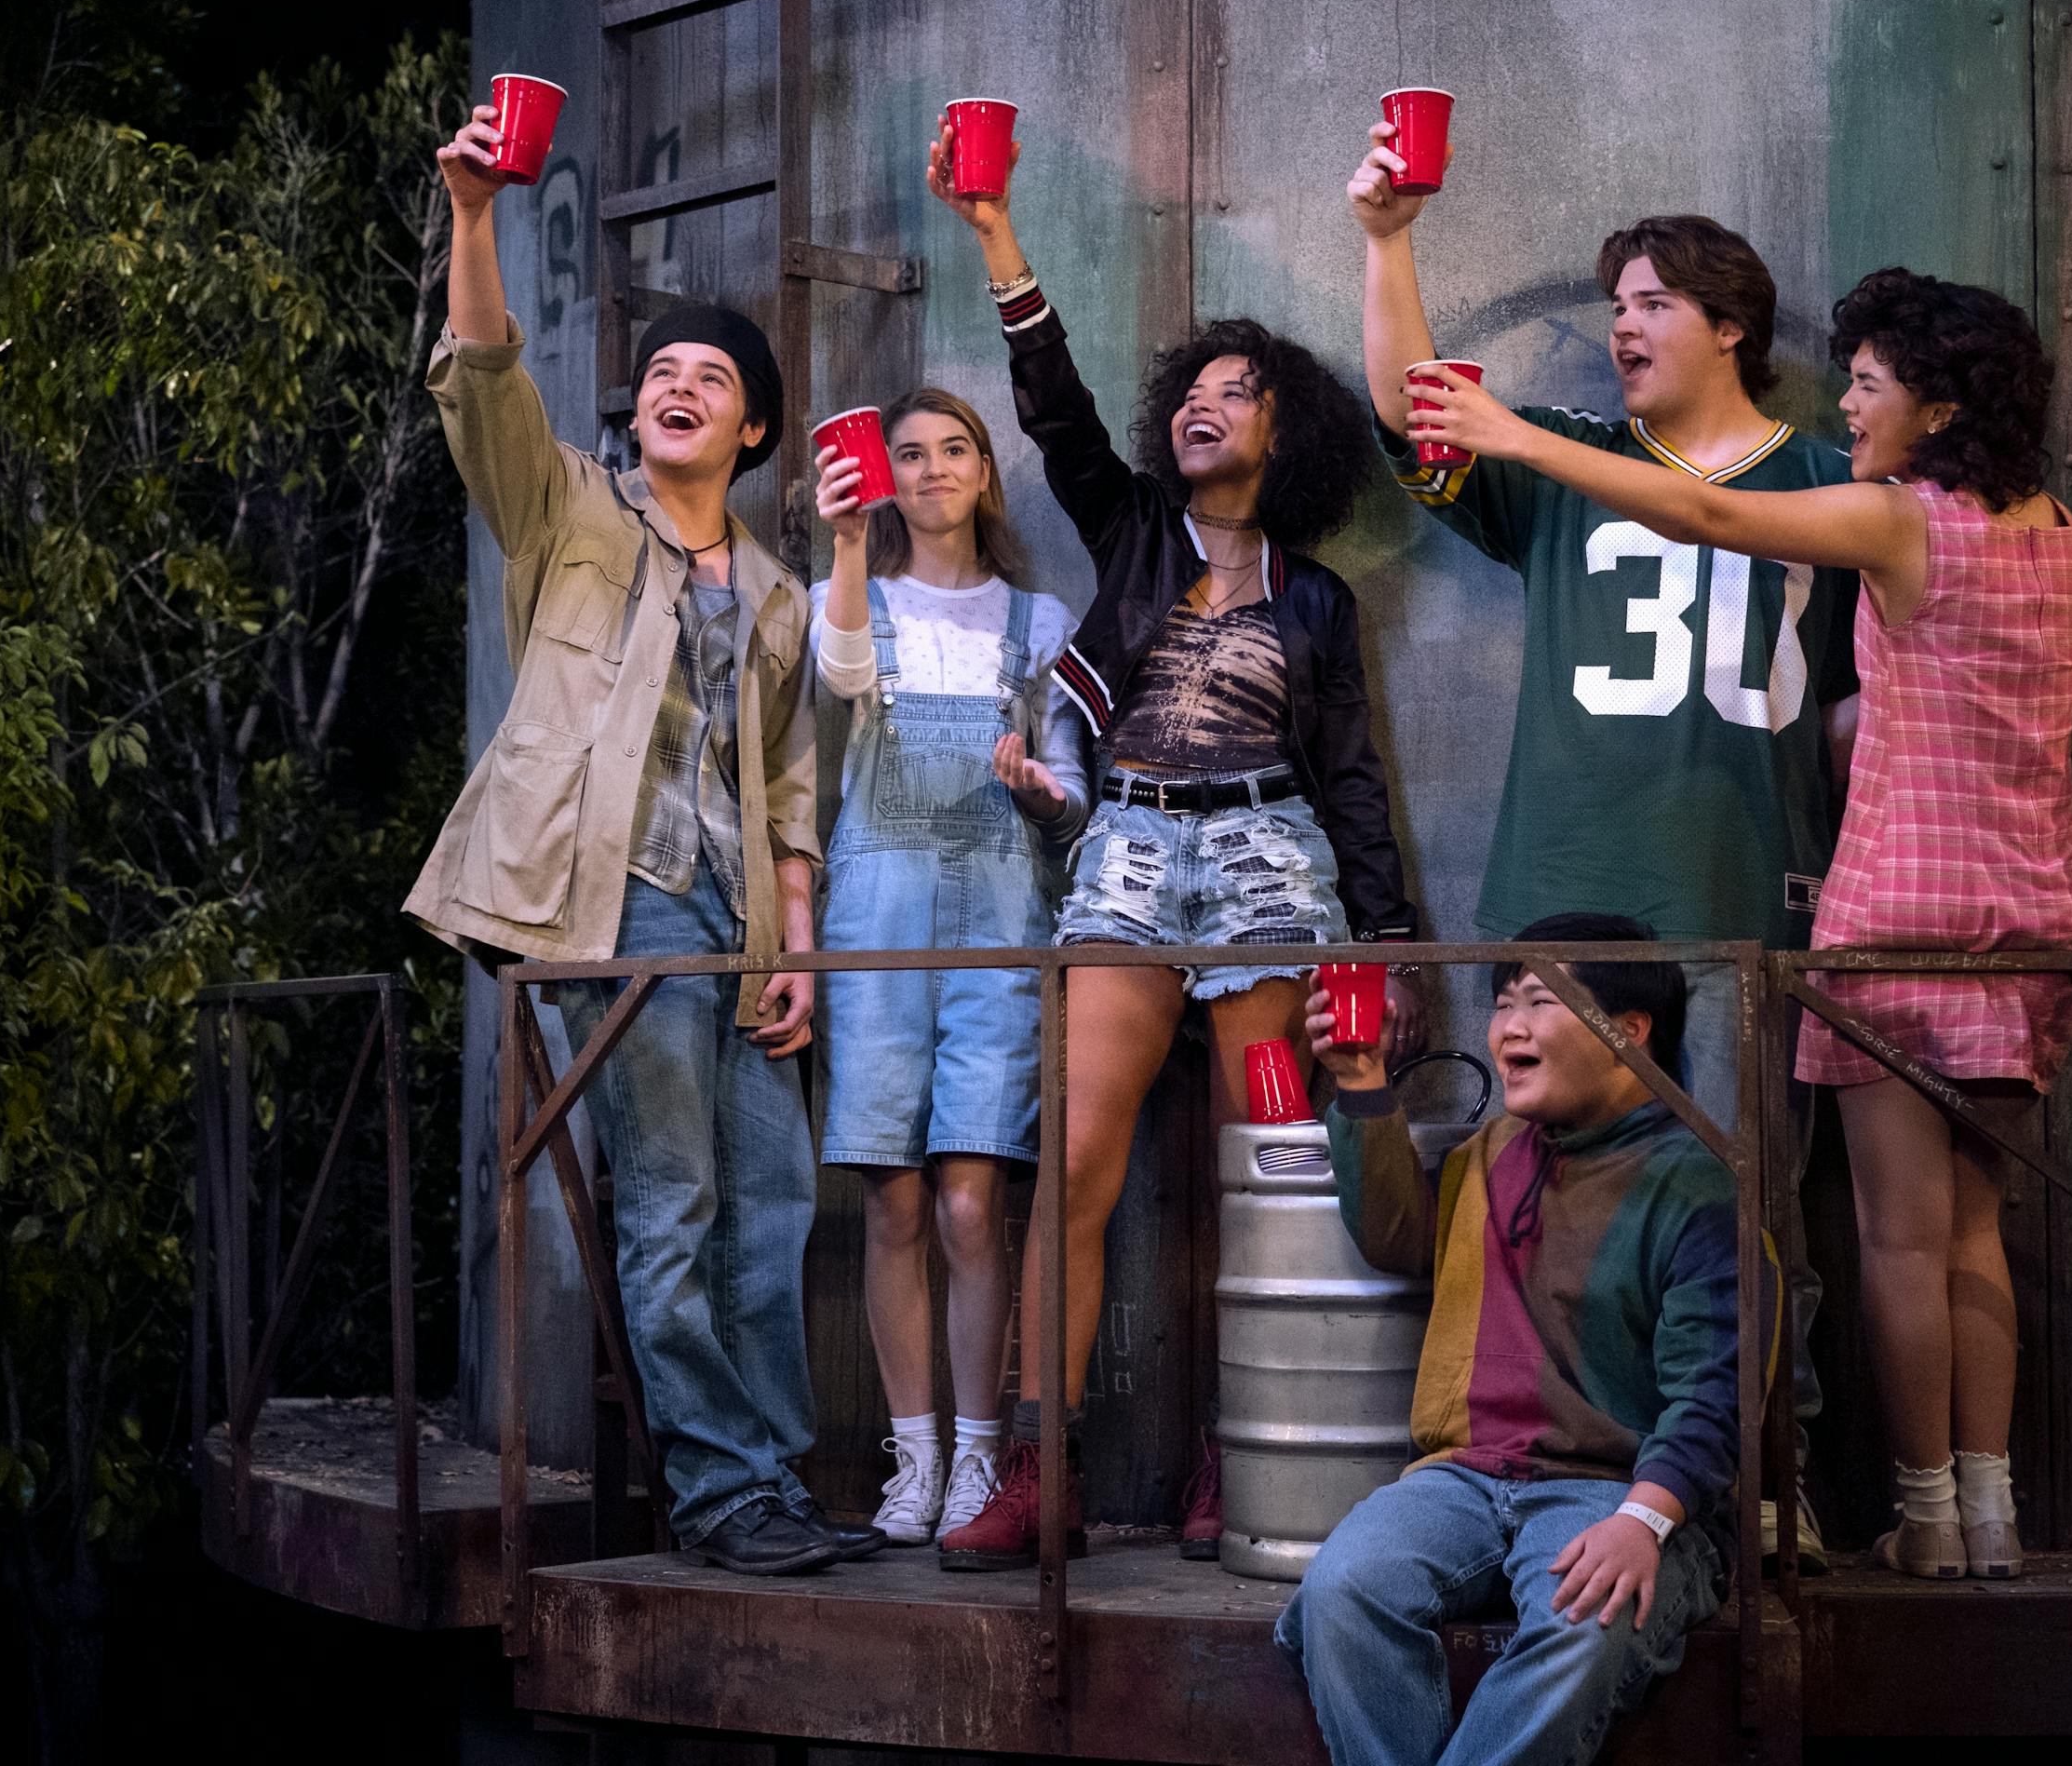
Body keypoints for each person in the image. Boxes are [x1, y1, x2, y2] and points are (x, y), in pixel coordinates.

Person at [1404, 265, 2072, 1581]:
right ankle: (1991, 1515)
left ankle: (1921, 1514)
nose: (1850, 403)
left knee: (1893, 1237)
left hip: (1891, 917)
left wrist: (1518, 436)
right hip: (2035, 913)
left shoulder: (1898, 521)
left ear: (1931, 406)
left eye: (1868, 385)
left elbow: (1702, 508)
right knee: (1975, 1232)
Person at [929, 115, 1424, 1570]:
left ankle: (1242, 1462)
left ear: (1288, 433)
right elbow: (1056, 410)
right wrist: (995, 231)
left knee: (1255, 1178)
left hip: (1272, 877)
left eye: (1238, 394)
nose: (1205, 407)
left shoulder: (1317, 600)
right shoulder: (1134, 528)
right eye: (1194, 392)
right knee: (1075, 1163)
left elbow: (1350, 781)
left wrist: (1389, 953)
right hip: (1130, 865)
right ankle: (1043, 1470)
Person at [1350, 129, 1850, 1564]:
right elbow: (1411, 419)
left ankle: (1766, 1474)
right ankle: (1537, 1476)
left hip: (1736, 896)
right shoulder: (1557, 456)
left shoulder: (1822, 473)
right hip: (1561, 903)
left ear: (1729, 324)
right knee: (1540, 1214)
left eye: (1649, 302)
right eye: (1614, 302)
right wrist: (1389, 242)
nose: (1620, 324)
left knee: (1757, 1214)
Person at [405, 101, 881, 1576]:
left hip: (738, 920)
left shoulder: (778, 587)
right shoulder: (568, 512)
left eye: (711, 378)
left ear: (754, 429)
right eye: (660, 373)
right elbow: (485, 382)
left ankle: (772, 1480)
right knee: (674, 1203)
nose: (677, 389)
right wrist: (477, 218)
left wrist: (797, 949)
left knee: (775, 1207)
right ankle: (721, 1492)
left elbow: (802, 774)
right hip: (612, 903)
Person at [1277, 913, 1765, 1766]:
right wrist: (1359, 1083)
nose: (1509, 1027)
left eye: (1540, 1001)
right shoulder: (1493, 1152)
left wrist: (1645, 1524)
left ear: (1629, 1030)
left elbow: (1715, 1395)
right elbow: (1400, 1238)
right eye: (1503, 1004)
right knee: (1343, 1588)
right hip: (1463, 1479)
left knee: (1588, 1621)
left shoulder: (1701, 1185)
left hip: (1612, 1490)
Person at [808, 387, 1090, 1547]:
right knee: (893, 1201)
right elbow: (834, 680)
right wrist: (840, 536)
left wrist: (1042, 790)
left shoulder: (1039, 619)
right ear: (888, 479)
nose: (929, 469)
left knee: (975, 1203)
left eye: (952, 450)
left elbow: (1074, 788)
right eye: (909, 454)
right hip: (877, 926)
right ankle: (911, 1458)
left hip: (995, 930)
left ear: (986, 471)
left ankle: (981, 1460)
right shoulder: (857, 600)